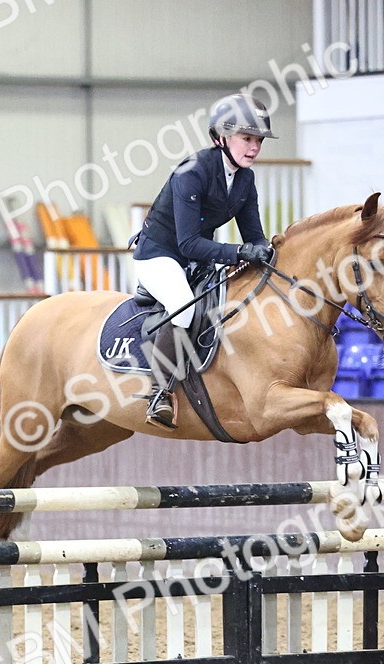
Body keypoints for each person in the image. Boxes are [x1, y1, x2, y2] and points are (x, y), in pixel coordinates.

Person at [131, 93, 277, 429]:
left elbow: (254, 236)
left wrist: (266, 252)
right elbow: (189, 242)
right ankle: (160, 392)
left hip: (197, 260)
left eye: (258, 140)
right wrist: (240, 253)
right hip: (159, 256)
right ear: (221, 137)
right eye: (246, 138)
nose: (254, 147)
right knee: (183, 306)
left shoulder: (244, 179)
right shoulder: (191, 172)